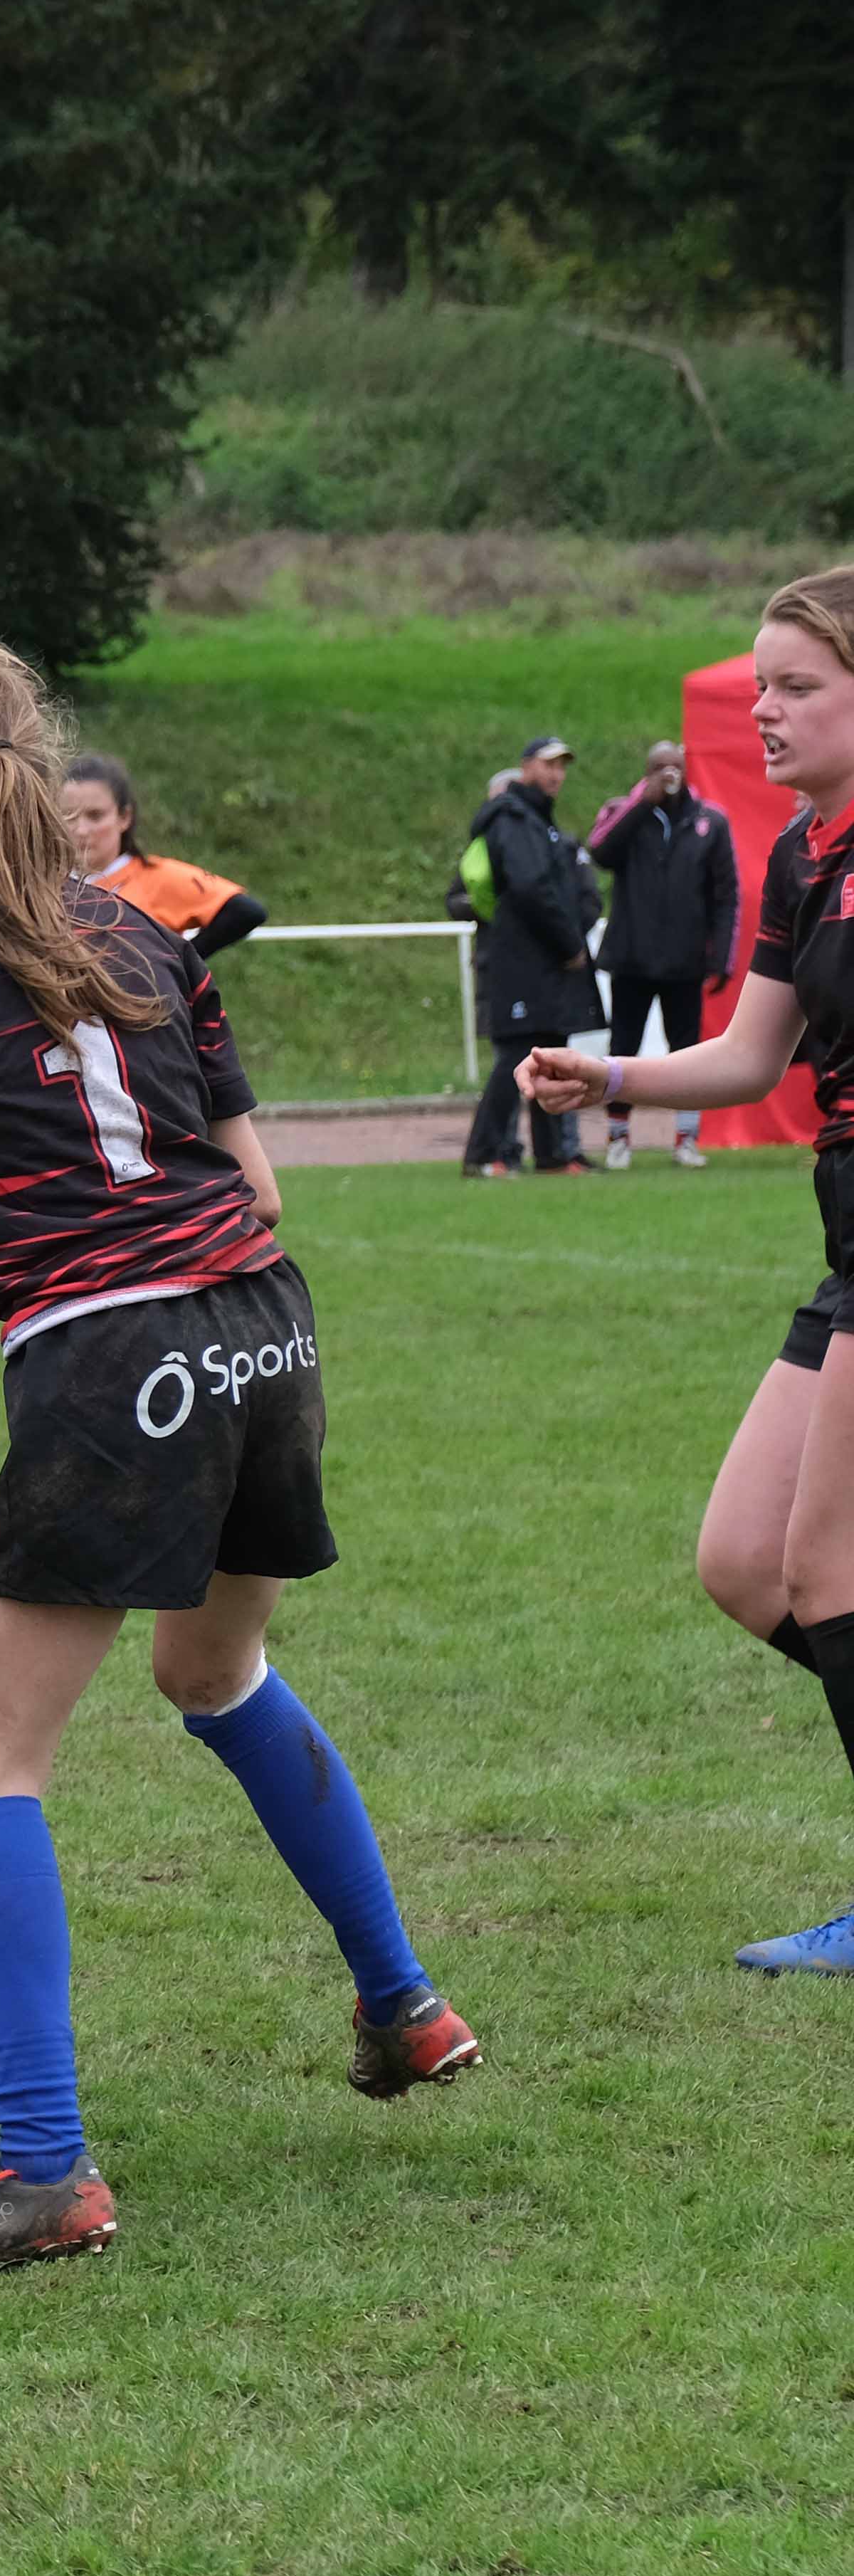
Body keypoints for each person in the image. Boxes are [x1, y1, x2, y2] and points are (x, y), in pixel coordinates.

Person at [0, 627, 480, 2272]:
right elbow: (258, 1178)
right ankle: (403, 2003)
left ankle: (45, 2166)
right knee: (213, 1674)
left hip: (116, 1361)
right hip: (264, 1327)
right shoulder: (142, 930)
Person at [520, 569, 854, 1973]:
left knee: (826, 1565)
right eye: (759, 684)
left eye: (798, 686)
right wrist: (608, 1075)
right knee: (743, 1561)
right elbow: (753, 1057)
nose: (764, 709)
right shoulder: (803, 855)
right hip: (844, 1242)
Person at [584, 739, 741, 1173]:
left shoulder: (710, 820)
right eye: (660, 767)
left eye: (676, 767)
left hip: (684, 961)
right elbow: (600, 852)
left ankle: (686, 1139)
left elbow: (726, 895)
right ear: (647, 772)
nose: (669, 775)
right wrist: (642, 803)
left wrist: (721, 960)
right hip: (631, 958)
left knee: (687, 1052)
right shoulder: (623, 812)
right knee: (623, 1050)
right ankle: (618, 1139)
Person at [461, 737, 601, 1179]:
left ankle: (552, 1155)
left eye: (562, 766)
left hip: (542, 961)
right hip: (521, 960)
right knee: (516, 1056)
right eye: (548, 765)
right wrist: (570, 944)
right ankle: (483, 1154)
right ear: (526, 768)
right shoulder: (514, 818)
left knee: (547, 1052)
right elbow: (530, 888)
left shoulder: (539, 819)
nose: (557, 774)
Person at [59, 755, 267, 958]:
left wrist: (183, 965)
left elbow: (246, 912)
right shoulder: (48, 885)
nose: (81, 830)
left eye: (95, 816)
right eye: (69, 815)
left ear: (124, 817)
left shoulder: (158, 878)